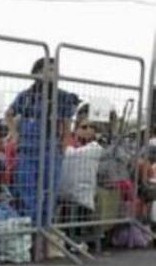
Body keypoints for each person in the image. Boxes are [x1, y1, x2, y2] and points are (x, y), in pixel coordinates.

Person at [6, 57, 80, 226]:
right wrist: (14, 133)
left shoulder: (62, 97)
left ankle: (45, 230)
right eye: (49, 69)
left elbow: (67, 125)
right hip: (27, 150)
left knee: (49, 192)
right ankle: (30, 230)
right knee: (27, 192)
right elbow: (8, 114)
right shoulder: (25, 96)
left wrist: (63, 145)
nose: (54, 73)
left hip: (50, 150)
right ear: (37, 72)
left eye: (56, 70)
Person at [58, 109, 102, 239]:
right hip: (67, 191)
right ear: (76, 128)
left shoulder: (94, 146)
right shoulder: (69, 143)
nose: (88, 130)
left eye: (91, 127)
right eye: (84, 127)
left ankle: (76, 236)